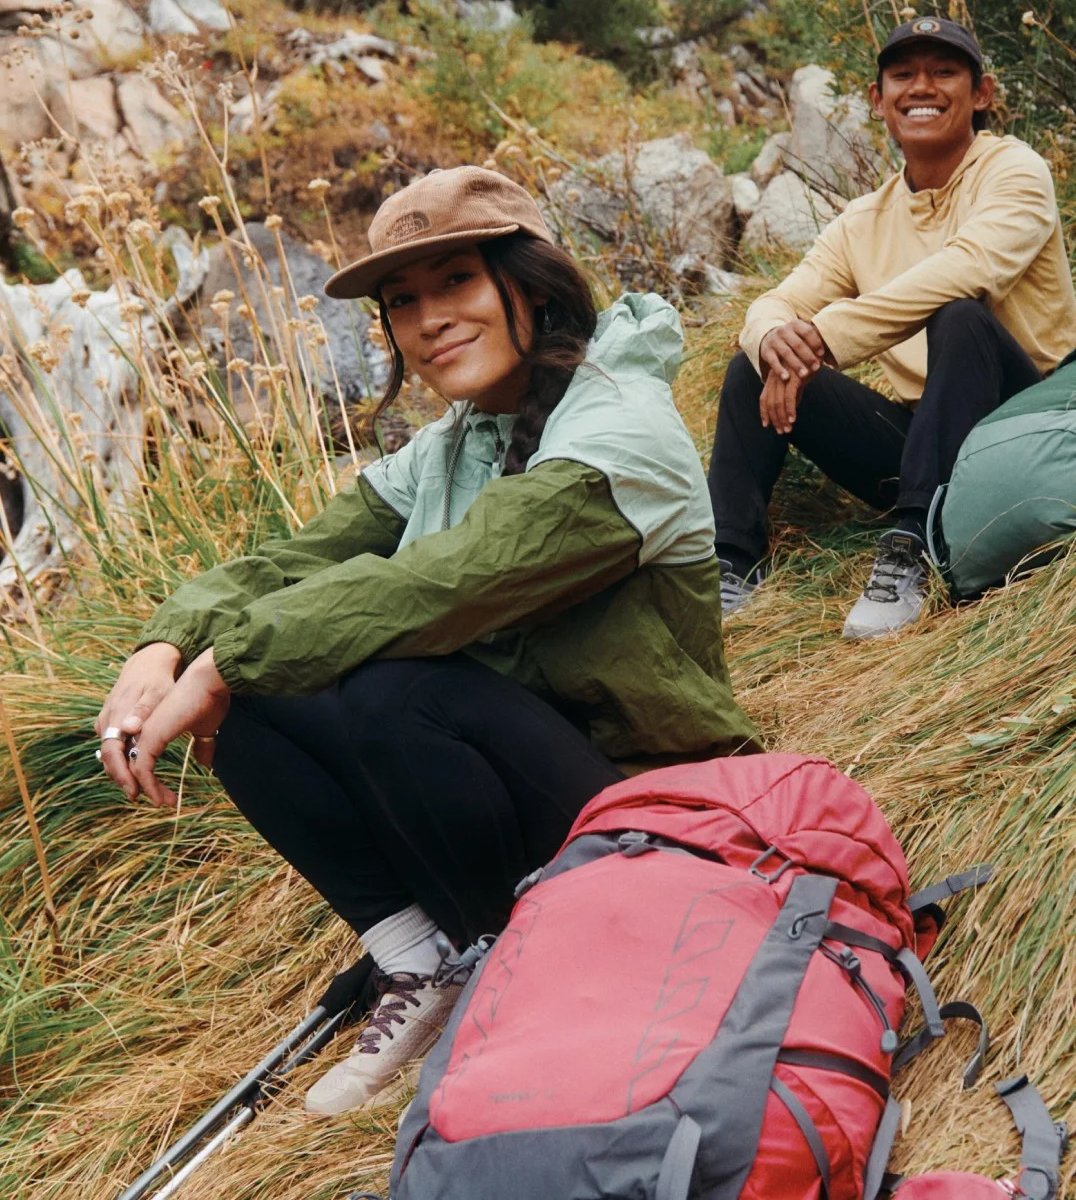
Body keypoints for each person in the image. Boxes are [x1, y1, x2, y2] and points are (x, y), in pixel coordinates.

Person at [94, 166, 758, 1117]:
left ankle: (518, 971)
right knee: (259, 704)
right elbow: (297, 559)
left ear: (530, 283)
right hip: (502, 784)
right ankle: (428, 960)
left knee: (386, 685)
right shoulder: (455, 441)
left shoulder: (621, 425)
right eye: (402, 302)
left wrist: (224, 658)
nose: (427, 319)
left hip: (647, 803)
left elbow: (446, 585)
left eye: (456, 282)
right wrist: (165, 646)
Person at [709, 16, 1076, 639]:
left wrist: (824, 336)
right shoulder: (863, 220)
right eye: (903, 75)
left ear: (981, 93)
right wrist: (776, 339)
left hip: (1027, 425)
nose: (921, 87)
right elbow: (778, 300)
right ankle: (728, 567)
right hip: (925, 440)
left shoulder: (1014, 170)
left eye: (943, 72)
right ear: (878, 101)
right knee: (756, 364)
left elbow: (971, 268)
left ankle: (912, 546)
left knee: (960, 315)